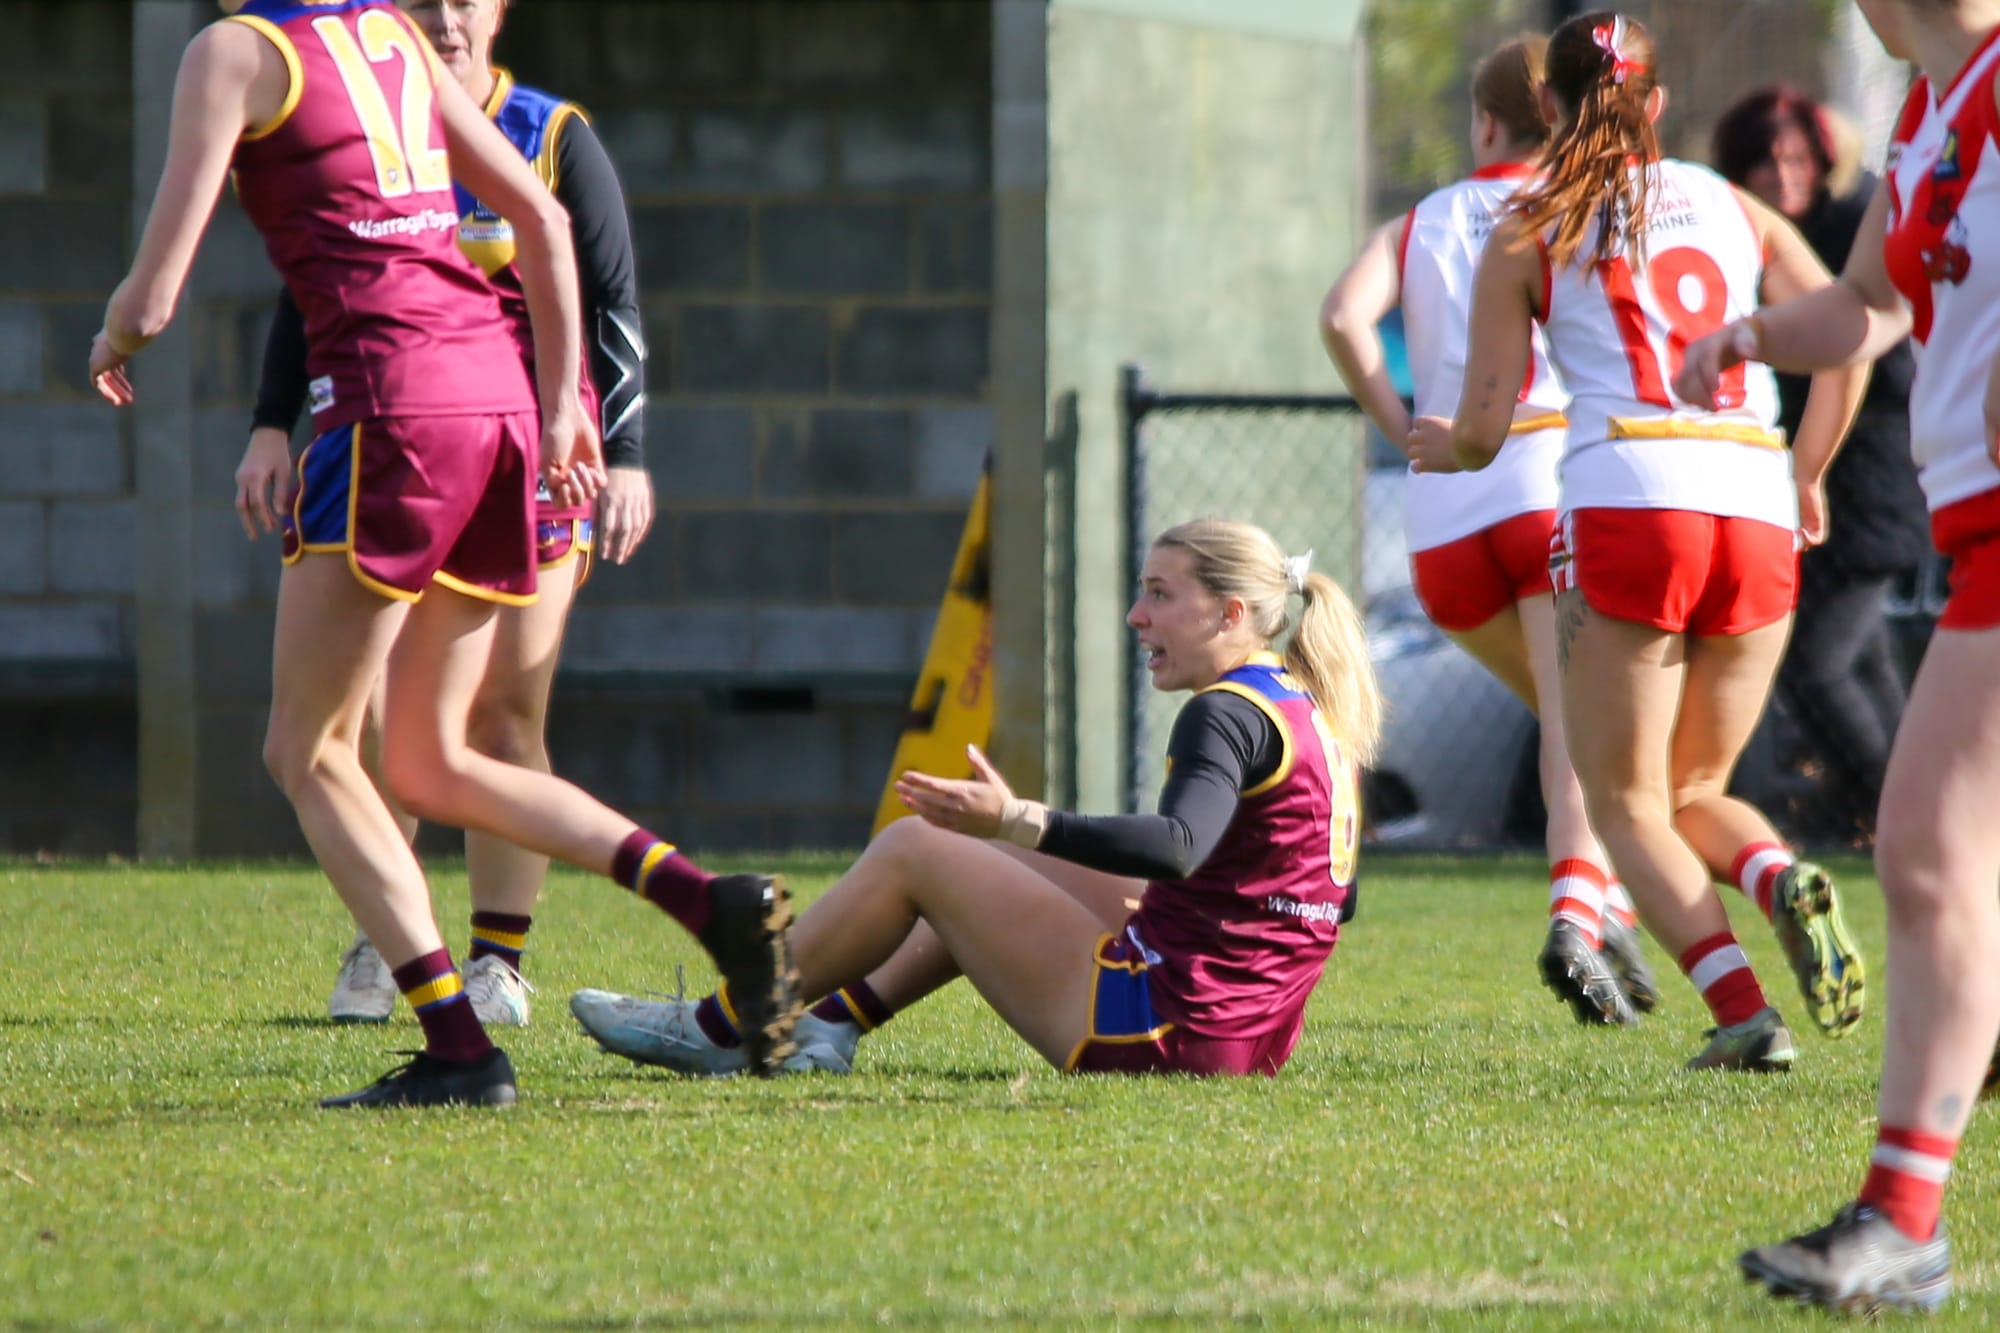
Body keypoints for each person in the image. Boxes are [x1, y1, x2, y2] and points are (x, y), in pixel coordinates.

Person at [91, 0, 796, 1106]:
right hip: (498, 406)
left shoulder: (230, 49)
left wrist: (115, 335)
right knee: (429, 760)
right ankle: (708, 900)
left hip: (388, 409)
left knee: (306, 748)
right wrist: (568, 415)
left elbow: (157, 289)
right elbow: (544, 228)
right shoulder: (393, 38)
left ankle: (458, 1047)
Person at [1405, 12, 1870, 1074]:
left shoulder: (1527, 225)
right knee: (1692, 785)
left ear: (1551, 113)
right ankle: (1774, 875)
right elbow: (1847, 330)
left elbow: (1480, 429)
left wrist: (1443, 442)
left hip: (1628, 494)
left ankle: (1745, 1013)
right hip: (1750, 493)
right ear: (1655, 106)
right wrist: (1804, 469)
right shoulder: (1731, 205)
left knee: (1621, 802)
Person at [568, 519, 1379, 1080]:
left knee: (918, 848)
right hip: (1246, 1039)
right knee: (995, 855)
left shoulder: (1225, 710)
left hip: (1163, 1028)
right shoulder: (1307, 707)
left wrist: (1021, 815)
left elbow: (1176, 846)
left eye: (1161, 594)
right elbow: (1329, 903)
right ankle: (830, 1026)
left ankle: (719, 1027)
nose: (1137, 615)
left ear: (1231, 613)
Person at [235, 0, 655, 1029]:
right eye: (423, 0)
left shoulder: (549, 133)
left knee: (503, 709)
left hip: (538, 457)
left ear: (500, 12)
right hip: (400, 442)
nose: (446, 17)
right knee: (380, 717)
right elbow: (314, 283)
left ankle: (497, 961)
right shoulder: (367, 115)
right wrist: (270, 422)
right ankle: (397, 938)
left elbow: (611, 297)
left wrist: (630, 454)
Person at [1678, 0, 2000, 1311]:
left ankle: (1901, 1220)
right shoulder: (1930, 112)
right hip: (1975, 535)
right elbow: (1865, 306)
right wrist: (1750, 336)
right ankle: (1903, 1212)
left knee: (1928, 849)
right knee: (1945, 859)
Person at [1321, 33, 1655, 1029]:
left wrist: (1399, 425)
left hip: (1443, 527)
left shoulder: (1416, 222)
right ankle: (1578, 915)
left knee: (1584, 729)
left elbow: (1344, 317)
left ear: (1482, 123)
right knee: (1578, 726)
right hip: (1547, 485)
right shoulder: (1578, 209)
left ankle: (1614, 897)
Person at [1711, 86, 1929, 843]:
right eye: (1765, 162)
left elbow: (1873, 352)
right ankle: (1898, 805)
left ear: (1824, 162)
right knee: (1862, 663)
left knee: (1816, 664)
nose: (1782, 174)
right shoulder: (1766, 235)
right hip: (1832, 487)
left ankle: (1898, 813)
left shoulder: (1847, 224)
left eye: (1798, 158)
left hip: (1870, 489)